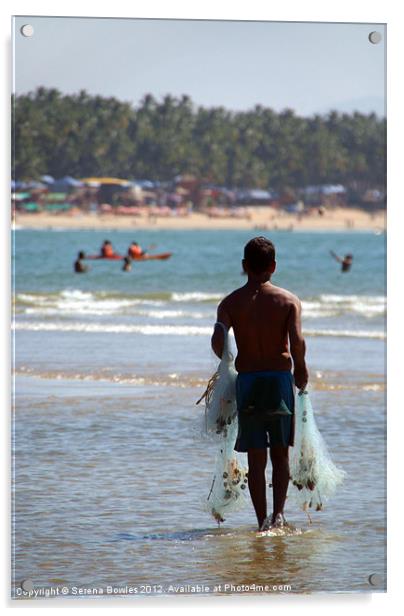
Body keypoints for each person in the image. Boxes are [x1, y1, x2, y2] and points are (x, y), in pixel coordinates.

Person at [211, 237, 308, 531]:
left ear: (244, 266)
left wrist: (226, 356)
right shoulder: (288, 301)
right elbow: (297, 341)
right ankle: (278, 515)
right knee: (280, 452)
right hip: (279, 381)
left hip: (249, 382)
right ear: (273, 267)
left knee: (256, 457)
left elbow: (218, 342)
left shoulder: (230, 303)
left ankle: (260, 521)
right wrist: (301, 369)